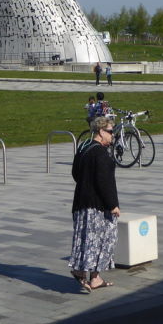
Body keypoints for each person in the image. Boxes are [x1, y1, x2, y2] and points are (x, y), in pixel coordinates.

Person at [68, 115, 120, 292]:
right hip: (97, 205)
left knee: (85, 238)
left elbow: (75, 173)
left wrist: (86, 184)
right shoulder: (100, 154)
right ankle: (81, 271)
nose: (113, 135)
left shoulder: (83, 147)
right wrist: (113, 205)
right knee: (102, 239)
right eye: (111, 132)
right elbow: (104, 182)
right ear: (101, 132)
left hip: (81, 202)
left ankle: (94, 278)